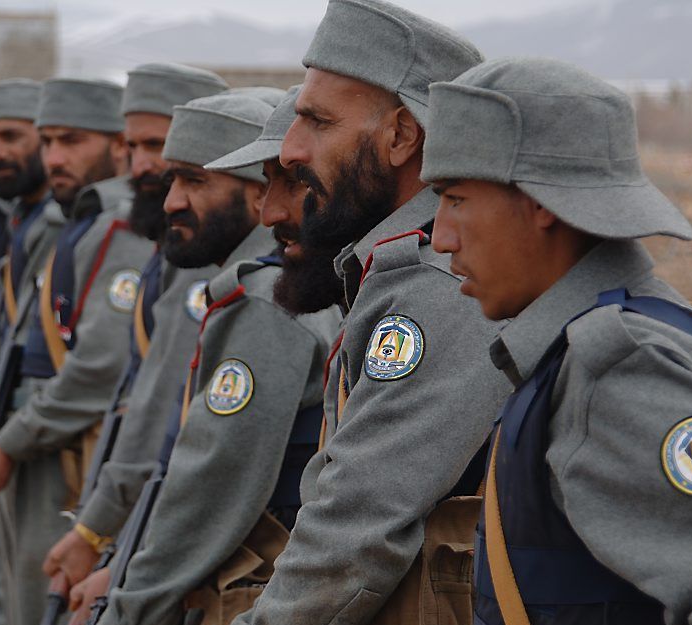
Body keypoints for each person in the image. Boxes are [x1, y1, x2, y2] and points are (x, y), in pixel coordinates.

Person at [232, 2, 512, 624]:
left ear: (402, 136)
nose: (293, 148)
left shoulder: (440, 287)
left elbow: (354, 532)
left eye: (317, 122)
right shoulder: (386, 272)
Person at [422, 56, 692, 625]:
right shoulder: (576, 351)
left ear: (543, 204)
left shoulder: (620, 367)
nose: (441, 238)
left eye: (456, 199)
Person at [99, 90, 341, 625]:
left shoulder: (265, 303)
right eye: (172, 181)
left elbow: (210, 480)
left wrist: (127, 605)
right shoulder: (273, 289)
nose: (171, 203)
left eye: (195, 180)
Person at [0, 76, 154, 625]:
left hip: (72, 455)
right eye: (49, 141)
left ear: (116, 146)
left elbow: (100, 364)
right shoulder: (78, 220)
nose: (55, 157)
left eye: (72, 141)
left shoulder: (121, 226)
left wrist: (9, 445)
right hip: (43, 437)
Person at [42, 64, 230, 613]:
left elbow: (160, 413)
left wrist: (101, 533)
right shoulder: (168, 249)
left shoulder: (207, 262)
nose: (144, 164)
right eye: (135, 145)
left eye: (162, 145)